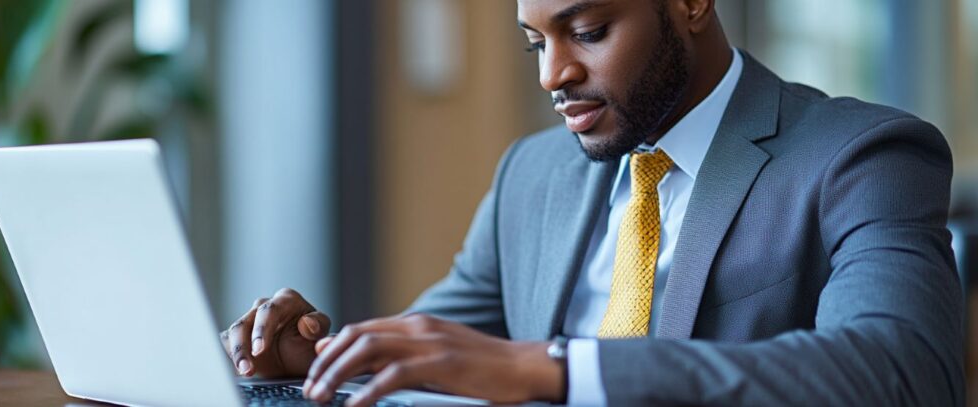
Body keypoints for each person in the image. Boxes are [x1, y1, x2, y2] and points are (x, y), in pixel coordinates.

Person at [218, 0, 964, 405]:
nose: (553, 74)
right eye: (533, 43)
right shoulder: (532, 175)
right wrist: (324, 362)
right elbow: (447, 349)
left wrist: (560, 370)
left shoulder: (863, 154)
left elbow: (901, 372)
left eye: (587, 31)